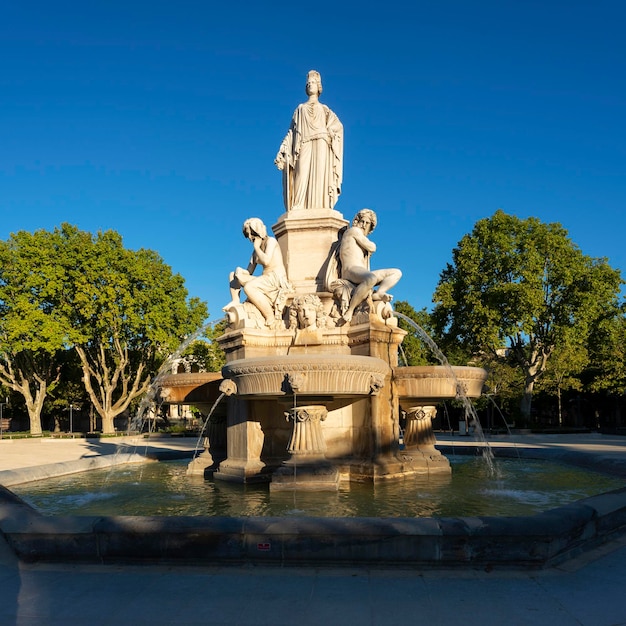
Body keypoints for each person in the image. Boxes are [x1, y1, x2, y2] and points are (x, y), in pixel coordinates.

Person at [275, 70, 343, 211]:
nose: (310, 85)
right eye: (308, 83)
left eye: (313, 83)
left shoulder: (324, 109)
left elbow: (338, 126)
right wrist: (283, 148)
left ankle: (320, 205)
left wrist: (330, 131)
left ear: (319, 87)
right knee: (301, 174)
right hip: (304, 142)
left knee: (319, 176)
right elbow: (292, 132)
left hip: (322, 141)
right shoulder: (300, 108)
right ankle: (299, 204)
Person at [338, 209, 402, 323]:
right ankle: (350, 310)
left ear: (370, 227)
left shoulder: (360, 236)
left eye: (367, 223)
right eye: (362, 221)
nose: (363, 225)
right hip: (350, 270)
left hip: (361, 272)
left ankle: (378, 294)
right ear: (357, 221)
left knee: (396, 272)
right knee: (371, 278)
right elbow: (372, 247)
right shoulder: (353, 231)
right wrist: (371, 244)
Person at [224, 218, 290, 327]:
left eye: (252, 234)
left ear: (258, 231)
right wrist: (239, 272)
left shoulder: (271, 241)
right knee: (233, 275)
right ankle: (235, 300)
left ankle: (270, 317)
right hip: (265, 278)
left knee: (249, 288)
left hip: (275, 278)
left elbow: (266, 261)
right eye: (248, 235)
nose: (250, 238)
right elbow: (249, 271)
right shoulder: (256, 251)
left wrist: (256, 247)